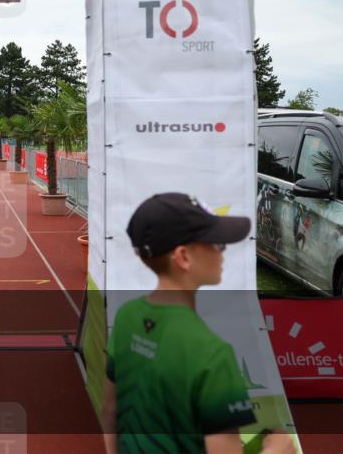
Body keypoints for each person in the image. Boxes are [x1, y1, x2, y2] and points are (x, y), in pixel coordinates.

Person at [101, 193, 294, 454]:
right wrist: (278, 450)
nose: (222, 251)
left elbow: (110, 410)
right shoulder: (212, 354)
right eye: (215, 243)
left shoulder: (126, 317)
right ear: (183, 257)